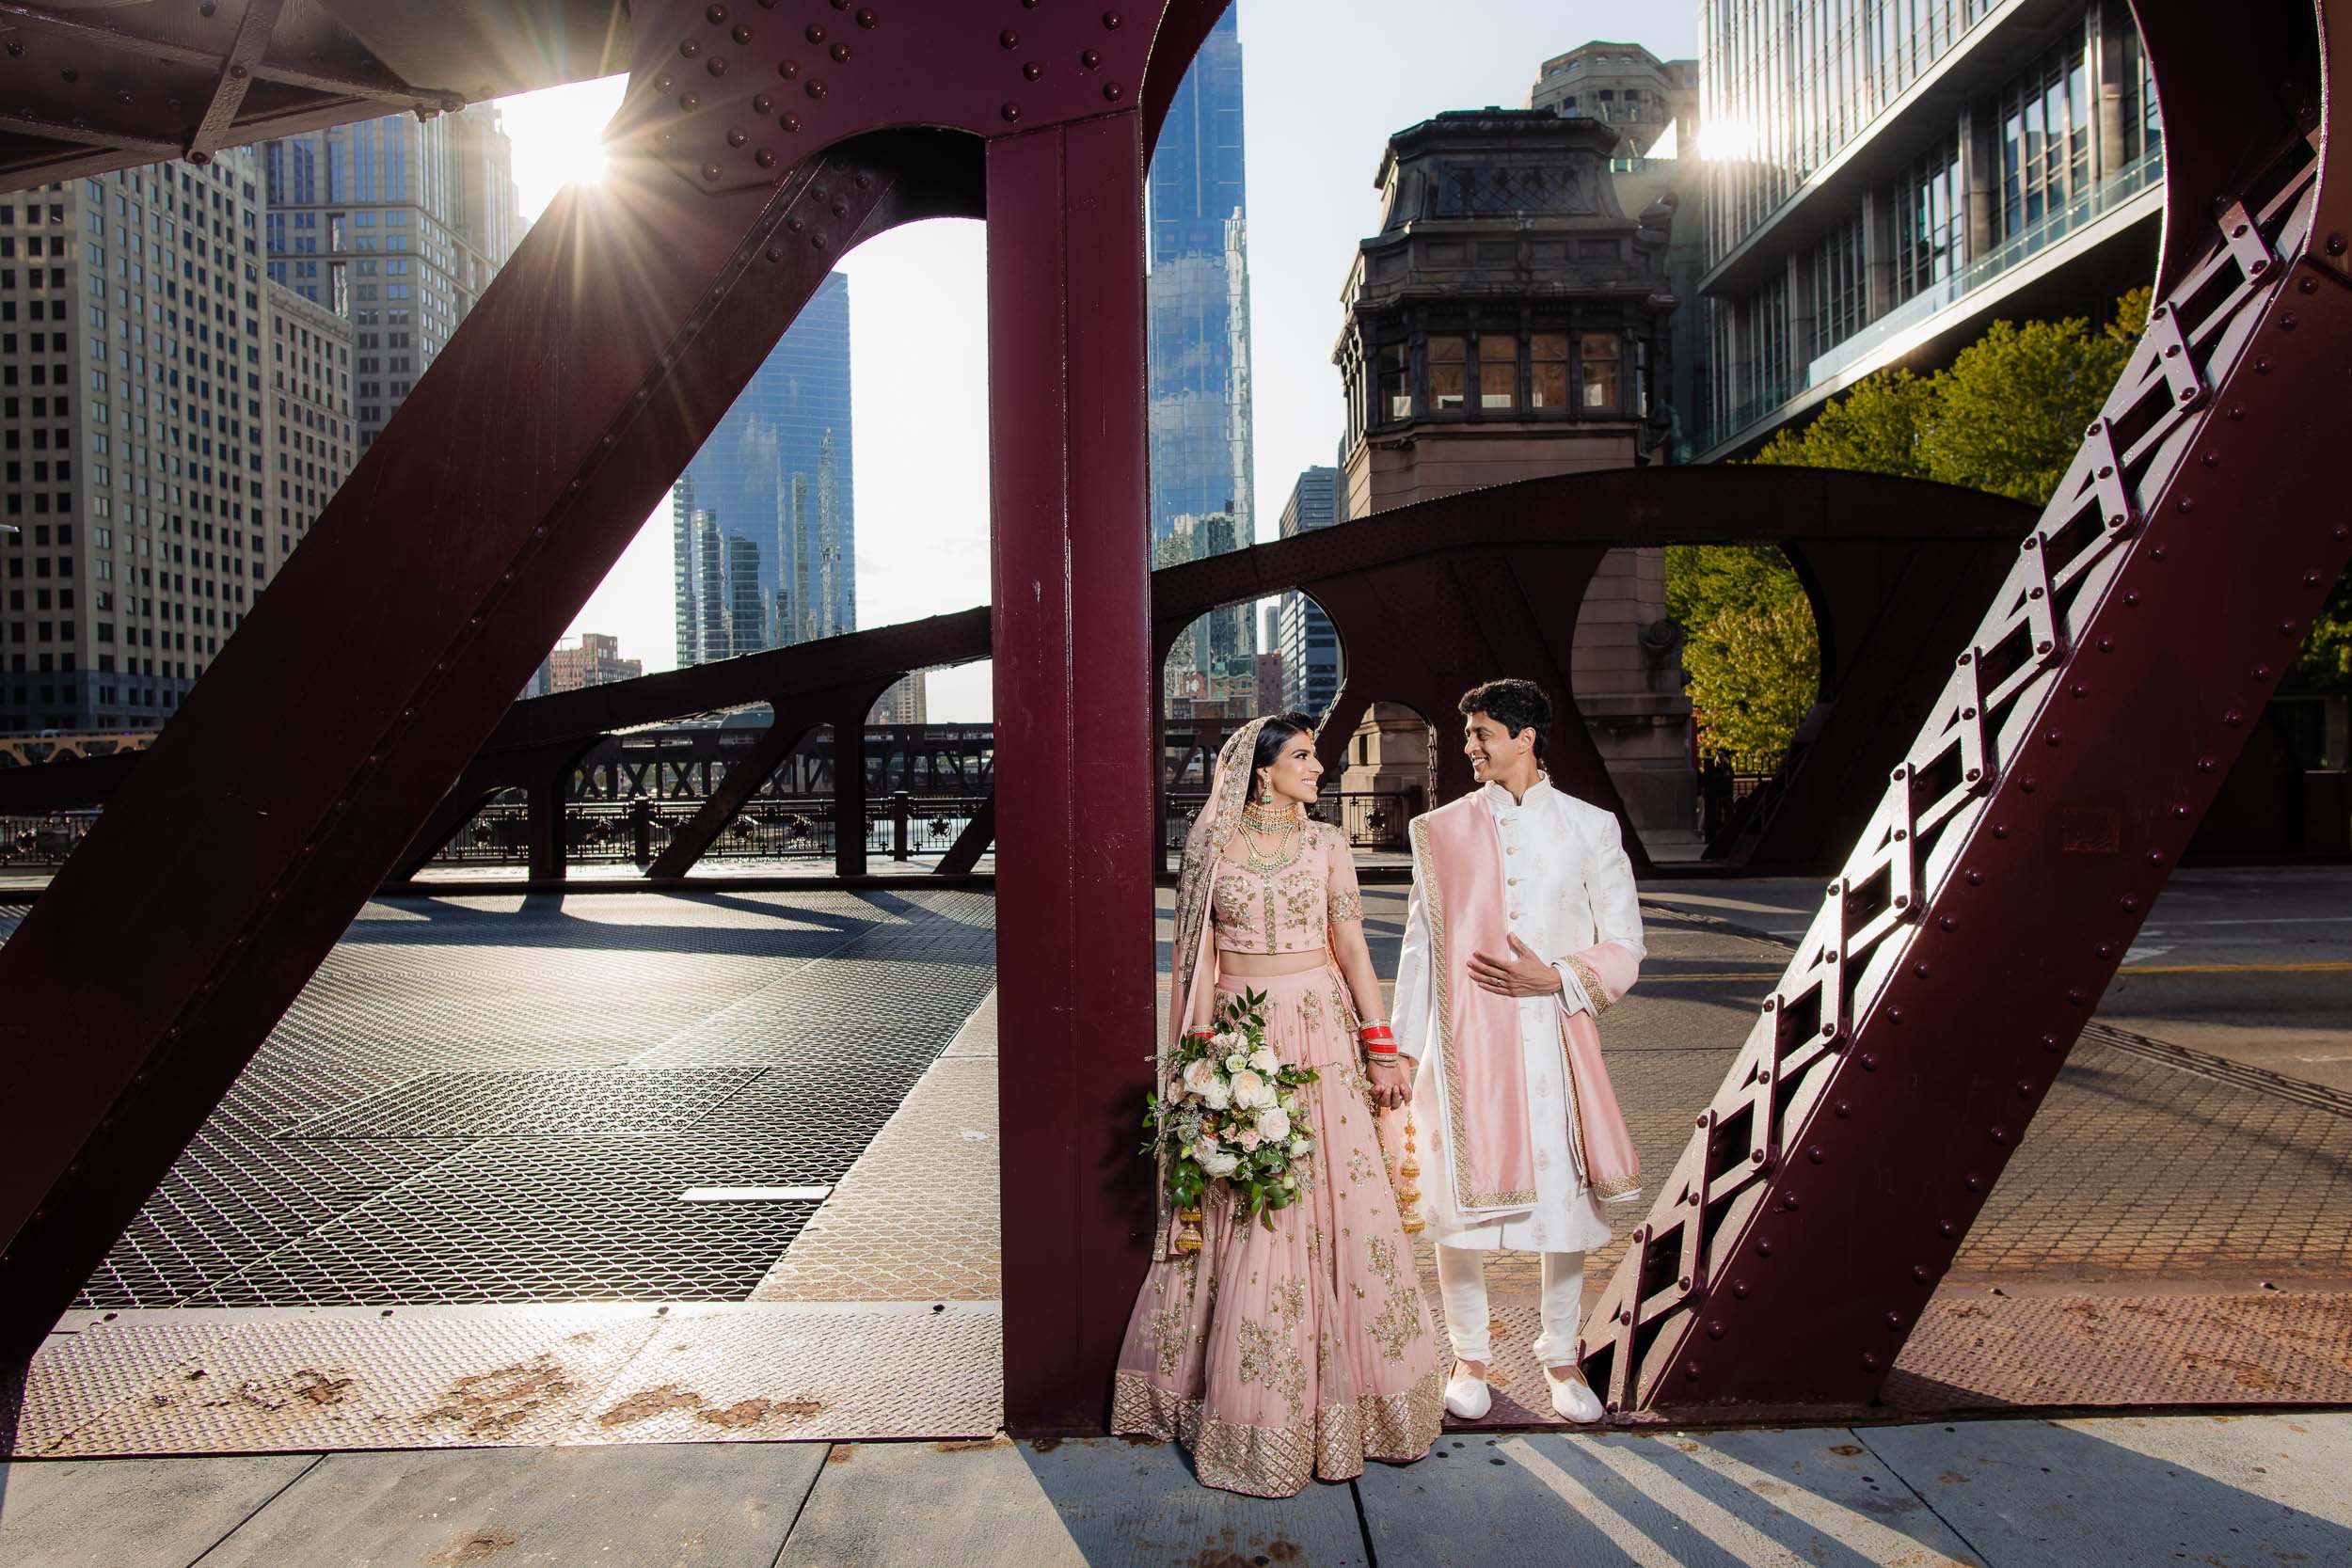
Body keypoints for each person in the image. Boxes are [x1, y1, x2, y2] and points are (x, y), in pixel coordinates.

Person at [1112, 714, 1443, 1497]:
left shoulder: (1328, 845)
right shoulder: (1210, 847)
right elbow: (1195, 962)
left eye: (1316, 756)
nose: (1318, 767)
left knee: (1339, 1203)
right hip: (1239, 1034)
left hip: (1321, 1029)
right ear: (1261, 771)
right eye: (1302, 756)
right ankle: (1247, 1410)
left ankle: (1359, 1405)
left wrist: (1381, 1043)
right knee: (1248, 1199)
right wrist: (1199, 1069)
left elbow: (1355, 948)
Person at [1391, 678, 1645, 1424]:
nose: (1469, 746)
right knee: (1455, 1210)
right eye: (1468, 734)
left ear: (1526, 738)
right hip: (1461, 1041)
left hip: (1554, 1038)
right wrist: (1401, 1053)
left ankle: (1560, 1356)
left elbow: (1626, 942)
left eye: (1482, 734)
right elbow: (1420, 944)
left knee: (1564, 1206)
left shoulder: (1590, 827)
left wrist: (1558, 975)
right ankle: (1469, 1356)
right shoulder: (1440, 829)